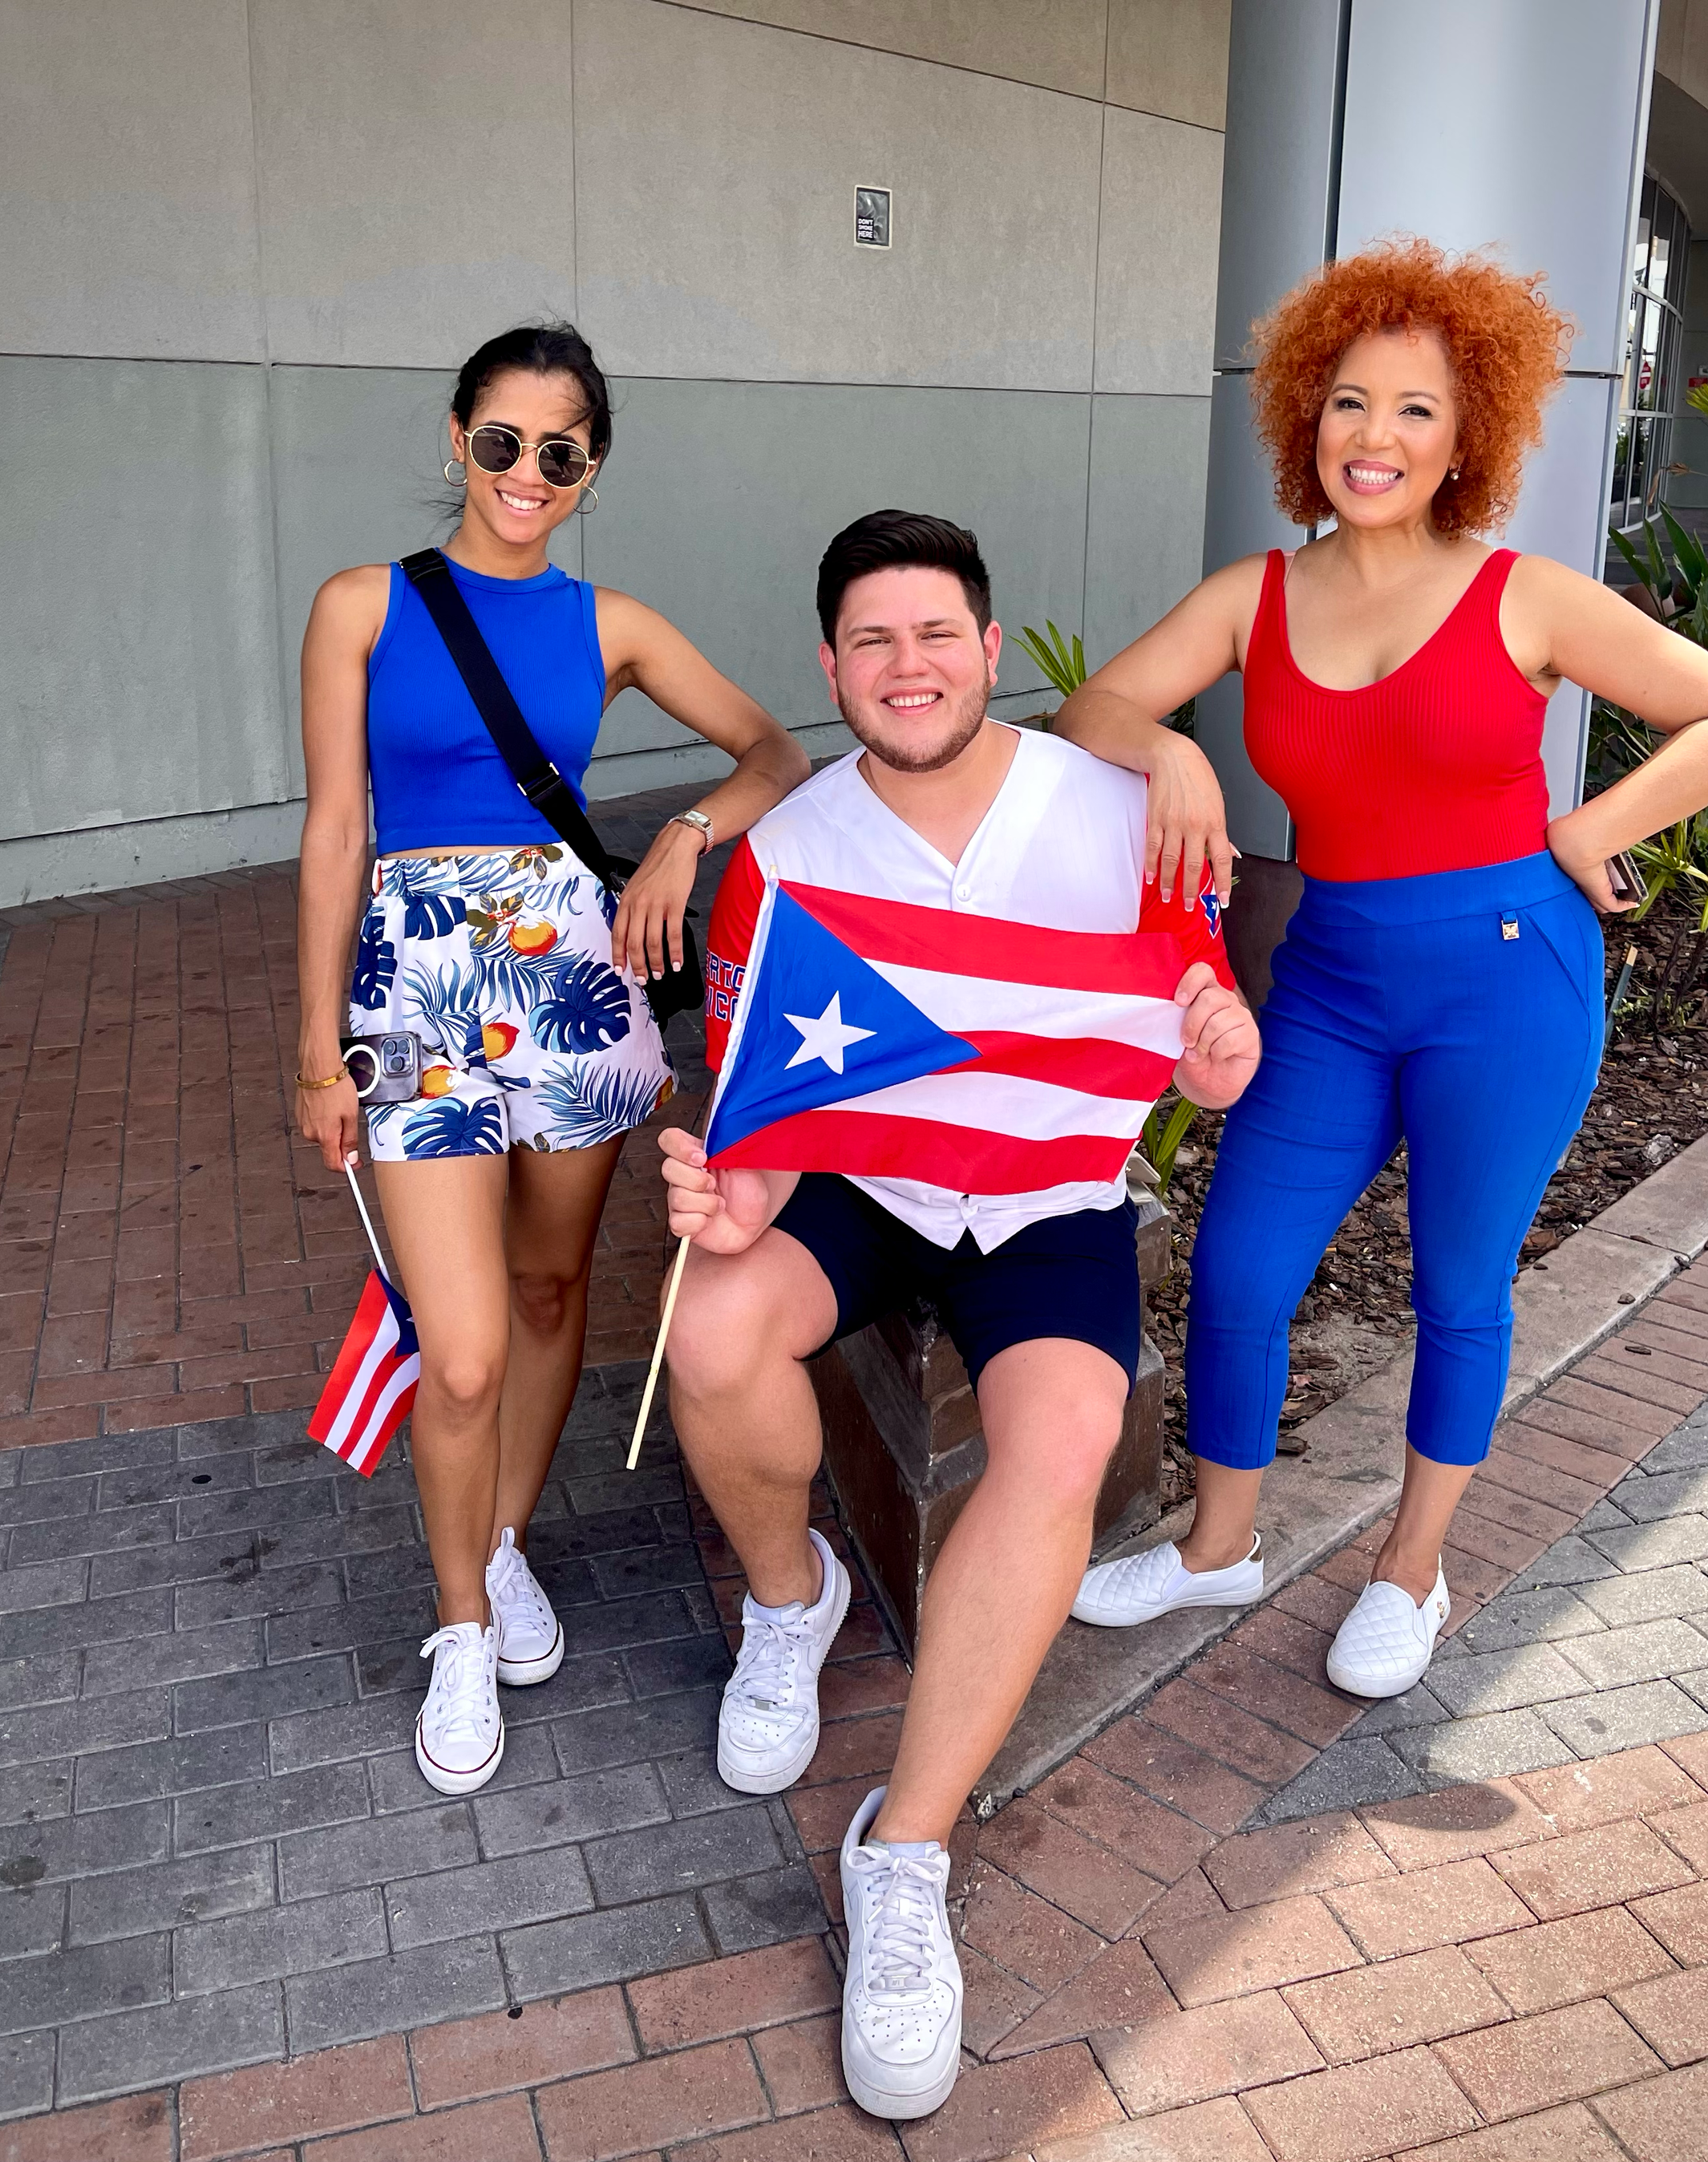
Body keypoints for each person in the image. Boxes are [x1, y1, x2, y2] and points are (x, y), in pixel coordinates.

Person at [1062, 238, 1708, 1698]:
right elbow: (1092, 710)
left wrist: (1587, 828)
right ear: (1302, 418)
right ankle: (1222, 1548)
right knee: (1242, 1262)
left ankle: (1414, 1569)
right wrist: (1176, 749)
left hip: (1507, 982)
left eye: (1413, 410)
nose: (1373, 437)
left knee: (1460, 1287)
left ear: (1469, 438)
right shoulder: (1252, 596)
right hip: (1332, 977)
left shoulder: (1525, 594)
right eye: (1346, 402)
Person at [657, 511, 1261, 2119]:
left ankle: (902, 1851)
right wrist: (731, 1204)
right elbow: (767, 1121)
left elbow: (1209, 1036)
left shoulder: (1122, 810)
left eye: (936, 635)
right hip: (867, 1180)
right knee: (711, 1324)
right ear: (828, 667)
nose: (905, 666)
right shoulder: (784, 856)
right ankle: (793, 1603)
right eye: (871, 640)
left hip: (1045, 1199)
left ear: (992, 653)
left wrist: (1214, 1054)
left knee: (1059, 1438)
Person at [293, 323, 807, 1796]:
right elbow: (336, 834)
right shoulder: (364, 607)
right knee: (455, 1349)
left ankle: (502, 1545)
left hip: (573, 977)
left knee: (546, 1288)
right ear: (458, 438)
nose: (529, 474)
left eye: (561, 452)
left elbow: (775, 748)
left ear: (591, 467)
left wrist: (692, 835)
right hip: (420, 987)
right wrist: (315, 1050)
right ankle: (461, 1627)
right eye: (504, 442)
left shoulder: (612, 623)